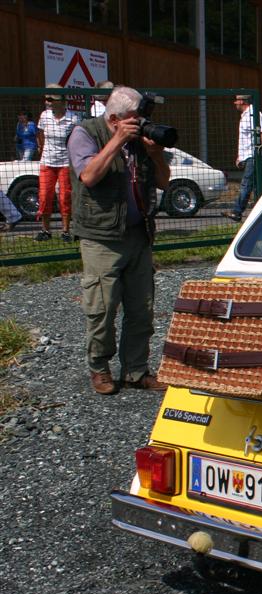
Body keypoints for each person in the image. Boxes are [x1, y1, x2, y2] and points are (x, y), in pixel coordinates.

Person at [67, 85, 171, 395]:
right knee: (103, 307)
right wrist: (117, 140)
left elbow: (164, 181)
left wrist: (155, 154)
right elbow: (88, 176)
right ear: (114, 119)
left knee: (142, 308)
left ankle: (135, 370)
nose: (140, 124)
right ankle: (99, 368)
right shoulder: (85, 133)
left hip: (138, 235)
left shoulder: (140, 141)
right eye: (135, 119)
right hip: (101, 237)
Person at [35, 84, 79, 242]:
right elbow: (40, 134)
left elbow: (77, 140)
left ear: (61, 101)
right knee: (45, 195)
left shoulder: (73, 118)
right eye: (47, 99)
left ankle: (65, 231)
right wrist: (42, 150)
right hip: (47, 162)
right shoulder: (44, 116)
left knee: (65, 196)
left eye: (50, 99)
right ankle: (45, 230)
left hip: (65, 162)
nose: (47, 102)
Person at [222, 94, 262, 222]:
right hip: (248, 155)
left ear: (242, 101)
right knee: (256, 185)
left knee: (246, 183)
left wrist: (257, 152)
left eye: (236, 101)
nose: (235, 103)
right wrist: (240, 156)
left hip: (253, 155)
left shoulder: (254, 114)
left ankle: (237, 212)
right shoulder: (246, 116)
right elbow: (245, 139)